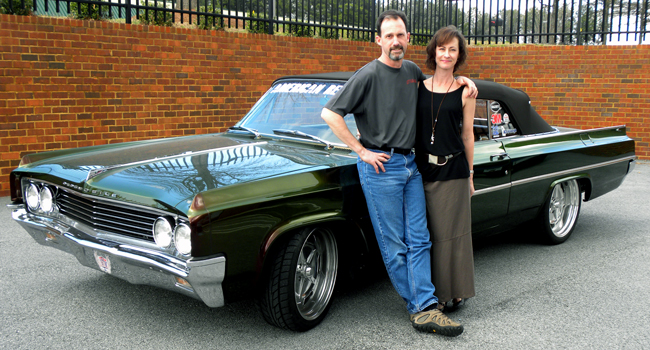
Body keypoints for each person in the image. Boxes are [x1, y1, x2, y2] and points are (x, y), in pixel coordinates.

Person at [321, 10, 475, 337]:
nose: (395, 41)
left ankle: (426, 303)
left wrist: (465, 81)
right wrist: (360, 150)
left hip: (411, 166)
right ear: (378, 40)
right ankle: (422, 308)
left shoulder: (413, 71)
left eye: (400, 35)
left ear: (408, 38)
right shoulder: (367, 75)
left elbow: (439, 88)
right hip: (380, 169)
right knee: (395, 245)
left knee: (420, 239)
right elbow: (329, 113)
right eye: (388, 35)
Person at [414, 25, 476, 312]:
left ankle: (454, 292)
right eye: (442, 48)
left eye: (453, 49)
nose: (447, 54)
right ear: (434, 52)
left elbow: (468, 135)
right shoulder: (417, 87)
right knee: (429, 235)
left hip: (454, 172)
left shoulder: (466, 91)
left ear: (459, 54)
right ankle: (432, 293)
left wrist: (471, 175)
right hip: (421, 172)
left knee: (454, 235)